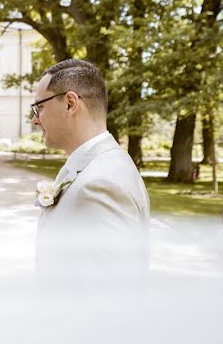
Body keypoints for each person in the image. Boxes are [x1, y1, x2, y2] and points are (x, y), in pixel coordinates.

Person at [30, 59, 150, 290]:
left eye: (40, 107)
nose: (35, 119)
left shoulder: (100, 183)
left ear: (70, 103)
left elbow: (109, 299)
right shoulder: (95, 167)